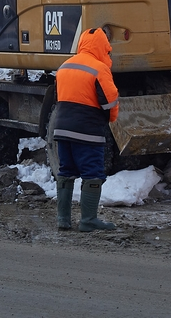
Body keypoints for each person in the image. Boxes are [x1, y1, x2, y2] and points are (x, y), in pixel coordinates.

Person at [51, 27, 120, 232]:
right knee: (92, 173)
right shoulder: (99, 68)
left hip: (62, 128)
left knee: (66, 171)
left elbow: (58, 97)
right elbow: (109, 102)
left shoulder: (64, 66)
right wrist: (111, 118)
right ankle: (88, 220)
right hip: (87, 130)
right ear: (103, 47)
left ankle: (63, 219)